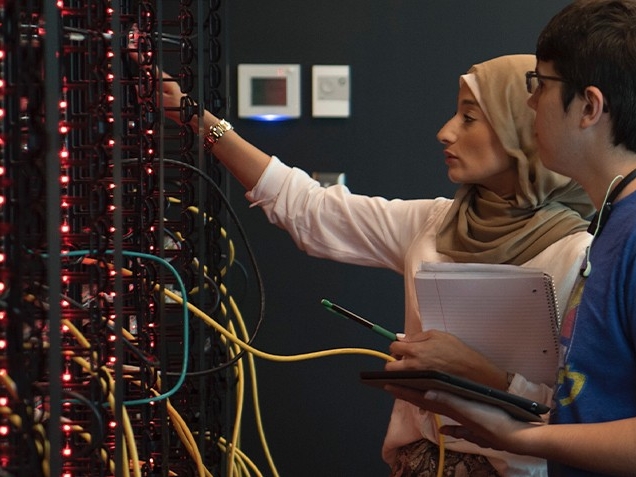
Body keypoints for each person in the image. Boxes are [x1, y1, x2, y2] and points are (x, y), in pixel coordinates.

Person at [137, 47, 594, 475]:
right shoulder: (435, 223)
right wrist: (194, 118)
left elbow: (583, 409)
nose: (446, 131)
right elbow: (308, 207)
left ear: (523, 132)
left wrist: (478, 372)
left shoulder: (578, 254)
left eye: (469, 118)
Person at [385, 1, 636, 476]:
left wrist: (522, 436)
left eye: (540, 84)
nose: (529, 102)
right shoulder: (612, 222)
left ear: (589, 107)